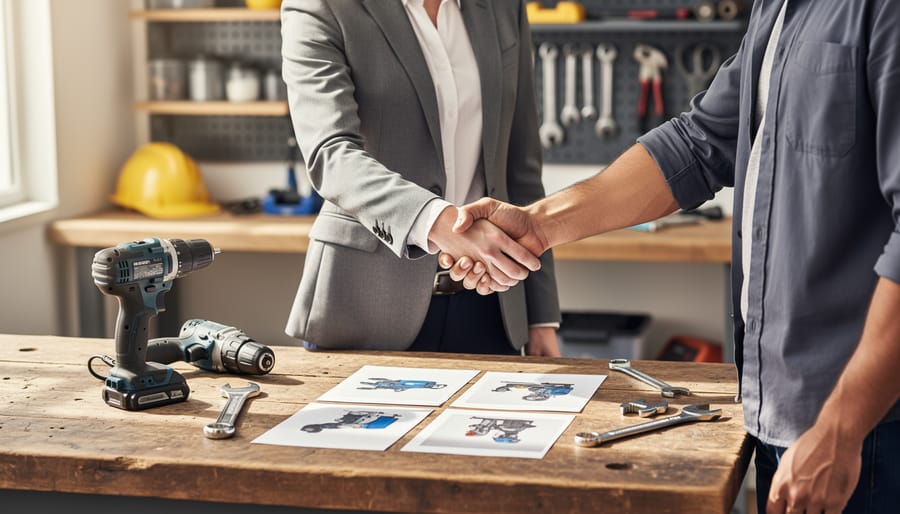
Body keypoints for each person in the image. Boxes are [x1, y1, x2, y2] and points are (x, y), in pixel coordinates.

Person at [441, 0, 900, 512]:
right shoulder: (780, 10)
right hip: (783, 411)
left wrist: (841, 429)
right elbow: (697, 143)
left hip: (868, 427)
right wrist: (539, 224)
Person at [279, 0, 561, 356]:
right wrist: (438, 221)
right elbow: (331, 154)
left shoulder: (504, 6)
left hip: (492, 303)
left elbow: (520, 166)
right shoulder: (320, 5)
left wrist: (541, 317)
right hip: (367, 303)